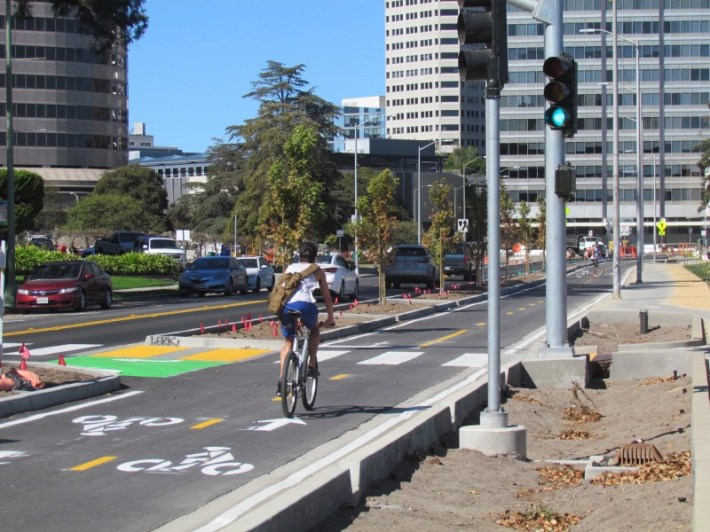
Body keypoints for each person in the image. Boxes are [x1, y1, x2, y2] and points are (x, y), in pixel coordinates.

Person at [277, 241, 336, 396]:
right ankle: (311, 363)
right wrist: (330, 317)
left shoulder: (289, 268)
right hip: (306, 306)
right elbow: (327, 297)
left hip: (287, 307)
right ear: (315, 256)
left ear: (299, 255)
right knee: (314, 329)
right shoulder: (317, 270)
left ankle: (282, 382)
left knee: (288, 342)